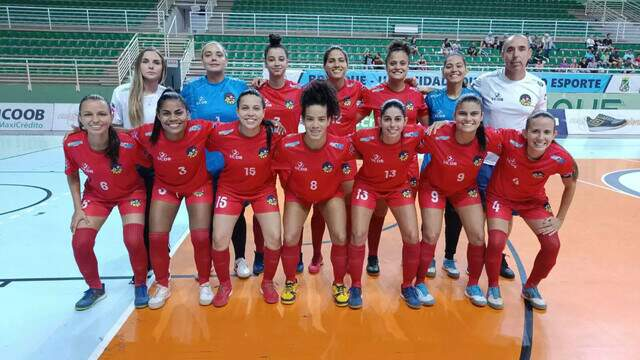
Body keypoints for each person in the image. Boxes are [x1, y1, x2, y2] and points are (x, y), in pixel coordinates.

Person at [272, 80, 355, 307]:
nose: (315, 125)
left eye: (321, 119)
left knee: (339, 236)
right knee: (289, 237)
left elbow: (349, 181)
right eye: (310, 119)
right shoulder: (287, 145)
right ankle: (290, 281)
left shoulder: (341, 146)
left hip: (330, 195)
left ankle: (338, 282)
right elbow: (277, 171)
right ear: (302, 119)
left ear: (330, 120)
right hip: (298, 195)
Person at [471, 34, 547, 279]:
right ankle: (477, 253)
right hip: (486, 160)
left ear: (529, 54)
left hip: (517, 164)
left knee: (507, 214)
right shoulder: (485, 82)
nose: (516, 55)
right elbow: (464, 104)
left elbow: (540, 125)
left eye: (521, 49)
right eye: (510, 49)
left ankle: (498, 254)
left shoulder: (537, 86)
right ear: (502, 54)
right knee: (481, 212)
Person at [484, 111, 578, 310]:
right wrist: (445, 125)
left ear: (554, 135)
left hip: (533, 201)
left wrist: (560, 218)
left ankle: (531, 287)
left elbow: (570, 185)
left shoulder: (561, 158)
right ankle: (493, 286)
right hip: (500, 198)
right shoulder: (510, 139)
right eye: (535, 131)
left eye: (546, 132)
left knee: (552, 245)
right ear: (525, 133)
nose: (540, 137)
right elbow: (476, 132)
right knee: (496, 241)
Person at [133, 90, 216, 309]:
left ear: (188, 113)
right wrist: (81, 133)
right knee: (157, 238)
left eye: (178, 112)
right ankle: (162, 285)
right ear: (158, 116)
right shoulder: (145, 134)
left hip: (198, 187)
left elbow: (234, 129)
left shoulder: (201, 128)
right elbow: (116, 135)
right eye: (166, 113)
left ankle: (205, 282)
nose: (173, 118)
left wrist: (268, 124)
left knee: (200, 237)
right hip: (165, 189)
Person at [65, 95, 150, 311]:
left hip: (131, 193)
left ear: (111, 116)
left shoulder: (129, 143)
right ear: (80, 119)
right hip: (96, 196)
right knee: (80, 242)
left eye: (102, 114)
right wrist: (77, 209)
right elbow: (72, 175)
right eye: (88, 114)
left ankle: (140, 283)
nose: (96, 119)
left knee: (133, 239)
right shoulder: (72, 143)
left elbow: (152, 163)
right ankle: (95, 288)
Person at [417, 95, 500, 307]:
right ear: (454, 115)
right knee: (431, 233)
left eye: (474, 114)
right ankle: (418, 282)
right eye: (463, 113)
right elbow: (408, 140)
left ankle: (473, 284)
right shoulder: (439, 133)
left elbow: (520, 143)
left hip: (464, 189)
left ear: (482, 117)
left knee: (478, 236)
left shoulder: (490, 138)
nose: (468, 118)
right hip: (433, 186)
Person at [181, 41, 252, 279]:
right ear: (202, 60)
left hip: (234, 162)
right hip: (203, 162)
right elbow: (178, 121)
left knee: (237, 213)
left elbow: (252, 116)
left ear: (226, 59)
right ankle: (210, 260)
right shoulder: (190, 90)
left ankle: (240, 258)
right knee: (210, 213)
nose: (213, 58)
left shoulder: (239, 86)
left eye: (218, 54)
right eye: (208, 54)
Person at [359, 40, 429, 277]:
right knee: (378, 214)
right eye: (392, 63)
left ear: (409, 66)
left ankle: (408, 262)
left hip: (407, 166)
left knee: (407, 219)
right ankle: (373, 255)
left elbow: (428, 131)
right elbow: (350, 117)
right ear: (385, 65)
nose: (397, 67)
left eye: (402, 63)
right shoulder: (374, 93)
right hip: (379, 164)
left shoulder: (417, 95)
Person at [349, 99, 427, 309]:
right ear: (379, 121)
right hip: (367, 187)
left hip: (398, 187)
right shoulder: (363, 137)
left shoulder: (415, 134)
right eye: (387, 119)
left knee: (412, 235)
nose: (392, 125)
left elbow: (442, 135)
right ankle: (355, 285)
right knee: (357, 234)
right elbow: (340, 148)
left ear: (405, 122)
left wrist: (441, 125)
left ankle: (407, 286)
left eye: (397, 120)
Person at [209, 89, 282, 307]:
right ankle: (224, 285)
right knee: (219, 238)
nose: (251, 113)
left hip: (263, 191)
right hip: (230, 191)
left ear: (263, 112)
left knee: (274, 239)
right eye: (245, 108)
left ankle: (267, 283)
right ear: (237, 111)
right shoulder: (220, 133)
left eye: (256, 108)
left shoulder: (274, 135)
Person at [306, 46, 367, 275]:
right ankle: (316, 254)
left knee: (350, 208)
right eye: (331, 60)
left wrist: (415, 85)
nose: (336, 64)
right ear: (324, 66)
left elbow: (379, 100)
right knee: (319, 210)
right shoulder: (315, 89)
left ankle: (351, 254)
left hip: (346, 158)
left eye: (341, 60)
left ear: (347, 65)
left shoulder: (358, 88)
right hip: (320, 158)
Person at [110, 47, 167, 282]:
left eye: (156, 62)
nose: (151, 66)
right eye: (146, 61)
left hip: (159, 164)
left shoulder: (167, 94)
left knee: (156, 216)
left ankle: (158, 258)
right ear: (137, 66)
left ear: (162, 69)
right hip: (131, 164)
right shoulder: (121, 93)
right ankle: (142, 265)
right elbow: (112, 127)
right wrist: (140, 134)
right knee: (137, 217)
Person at [253, 34, 305, 275]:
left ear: (287, 62)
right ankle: (260, 253)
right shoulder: (256, 91)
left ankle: (297, 251)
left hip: (292, 159)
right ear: (265, 63)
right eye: (271, 59)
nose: (276, 63)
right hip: (262, 156)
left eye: (281, 59)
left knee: (297, 205)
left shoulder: (299, 92)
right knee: (260, 207)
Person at [423, 54, 478, 279]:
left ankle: (449, 257)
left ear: (466, 70)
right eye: (448, 66)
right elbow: (425, 130)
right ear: (442, 71)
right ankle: (428, 258)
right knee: (430, 219)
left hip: (462, 169)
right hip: (434, 165)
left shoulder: (474, 97)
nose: (453, 69)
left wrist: (449, 123)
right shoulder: (432, 98)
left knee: (454, 215)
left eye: (458, 66)